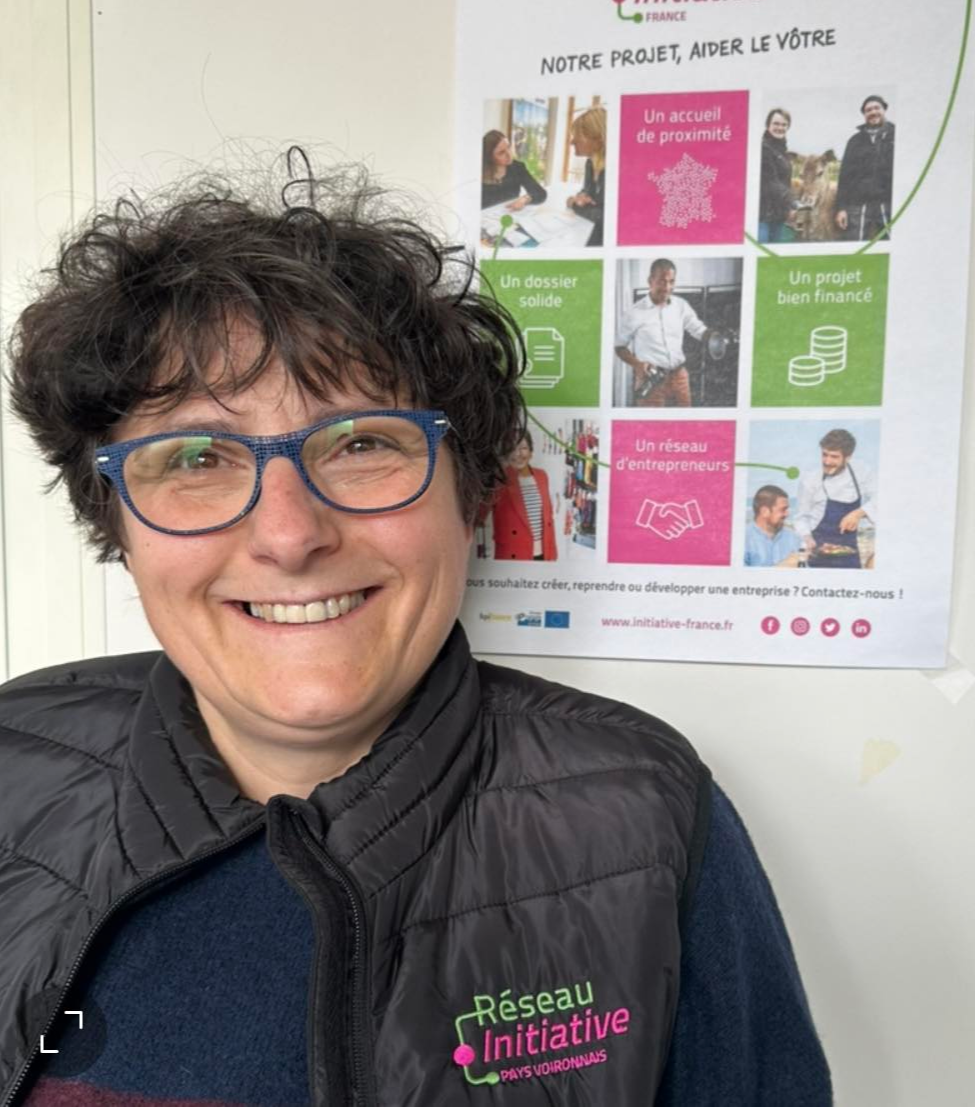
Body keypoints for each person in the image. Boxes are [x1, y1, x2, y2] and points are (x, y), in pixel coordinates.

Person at [0, 157, 831, 1106]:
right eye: (195, 457)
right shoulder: (13, 757)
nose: (289, 536)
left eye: (361, 443)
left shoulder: (642, 814)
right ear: (114, 519)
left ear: (469, 496)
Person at [615, 258, 708, 408]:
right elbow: (619, 346)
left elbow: (698, 329)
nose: (667, 287)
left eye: (671, 281)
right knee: (651, 422)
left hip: (680, 377)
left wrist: (714, 337)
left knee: (685, 420)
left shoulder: (681, 306)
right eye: (662, 281)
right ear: (650, 281)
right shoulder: (634, 312)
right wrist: (638, 365)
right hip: (650, 380)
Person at [792, 428, 877, 569]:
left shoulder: (862, 472)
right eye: (824, 455)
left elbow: (883, 498)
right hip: (818, 554)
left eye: (834, 457)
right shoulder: (810, 480)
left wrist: (859, 513)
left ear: (847, 457)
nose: (827, 461)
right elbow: (801, 518)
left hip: (850, 554)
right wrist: (807, 538)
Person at [834, 95, 895, 241]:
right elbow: (844, 177)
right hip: (859, 205)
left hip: (889, 203)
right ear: (864, 114)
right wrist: (841, 209)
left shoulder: (896, 136)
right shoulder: (854, 141)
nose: (873, 112)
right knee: (857, 244)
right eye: (868, 110)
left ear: (884, 109)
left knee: (895, 243)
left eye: (876, 108)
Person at [490, 429, 557, 560]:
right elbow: (479, 516)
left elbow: (548, 519)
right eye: (512, 448)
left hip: (544, 554)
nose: (518, 454)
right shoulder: (499, 479)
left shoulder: (542, 476)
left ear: (531, 452)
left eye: (523, 448)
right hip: (514, 555)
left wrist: (552, 552)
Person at [564, 105, 606, 246]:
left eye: (577, 136)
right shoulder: (590, 162)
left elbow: (606, 218)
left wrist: (574, 204)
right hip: (588, 230)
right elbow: (588, 192)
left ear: (598, 139)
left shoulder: (618, 170)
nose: (572, 142)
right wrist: (582, 196)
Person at [480, 129, 548, 210]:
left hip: (510, 214)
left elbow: (540, 193)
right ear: (489, 156)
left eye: (508, 147)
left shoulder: (517, 167)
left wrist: (525, 199)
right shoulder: (478, 171)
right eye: (501, 152)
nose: (509, 154)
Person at [758, 107, 798, 244]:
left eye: (784, 124)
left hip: (778, 215)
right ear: (768, 125)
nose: (780, 128)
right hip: (763, 216)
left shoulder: (782, 151)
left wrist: (787, 207)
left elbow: (785, 182)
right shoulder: (763, 148)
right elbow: (770, 181)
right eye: (776, 123)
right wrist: (792, 203)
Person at [744, 485, 801, 567]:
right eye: (783, 509)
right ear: (764, 511)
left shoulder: (794, 538)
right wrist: (783, 566)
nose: (787, 514)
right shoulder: (743, 540)